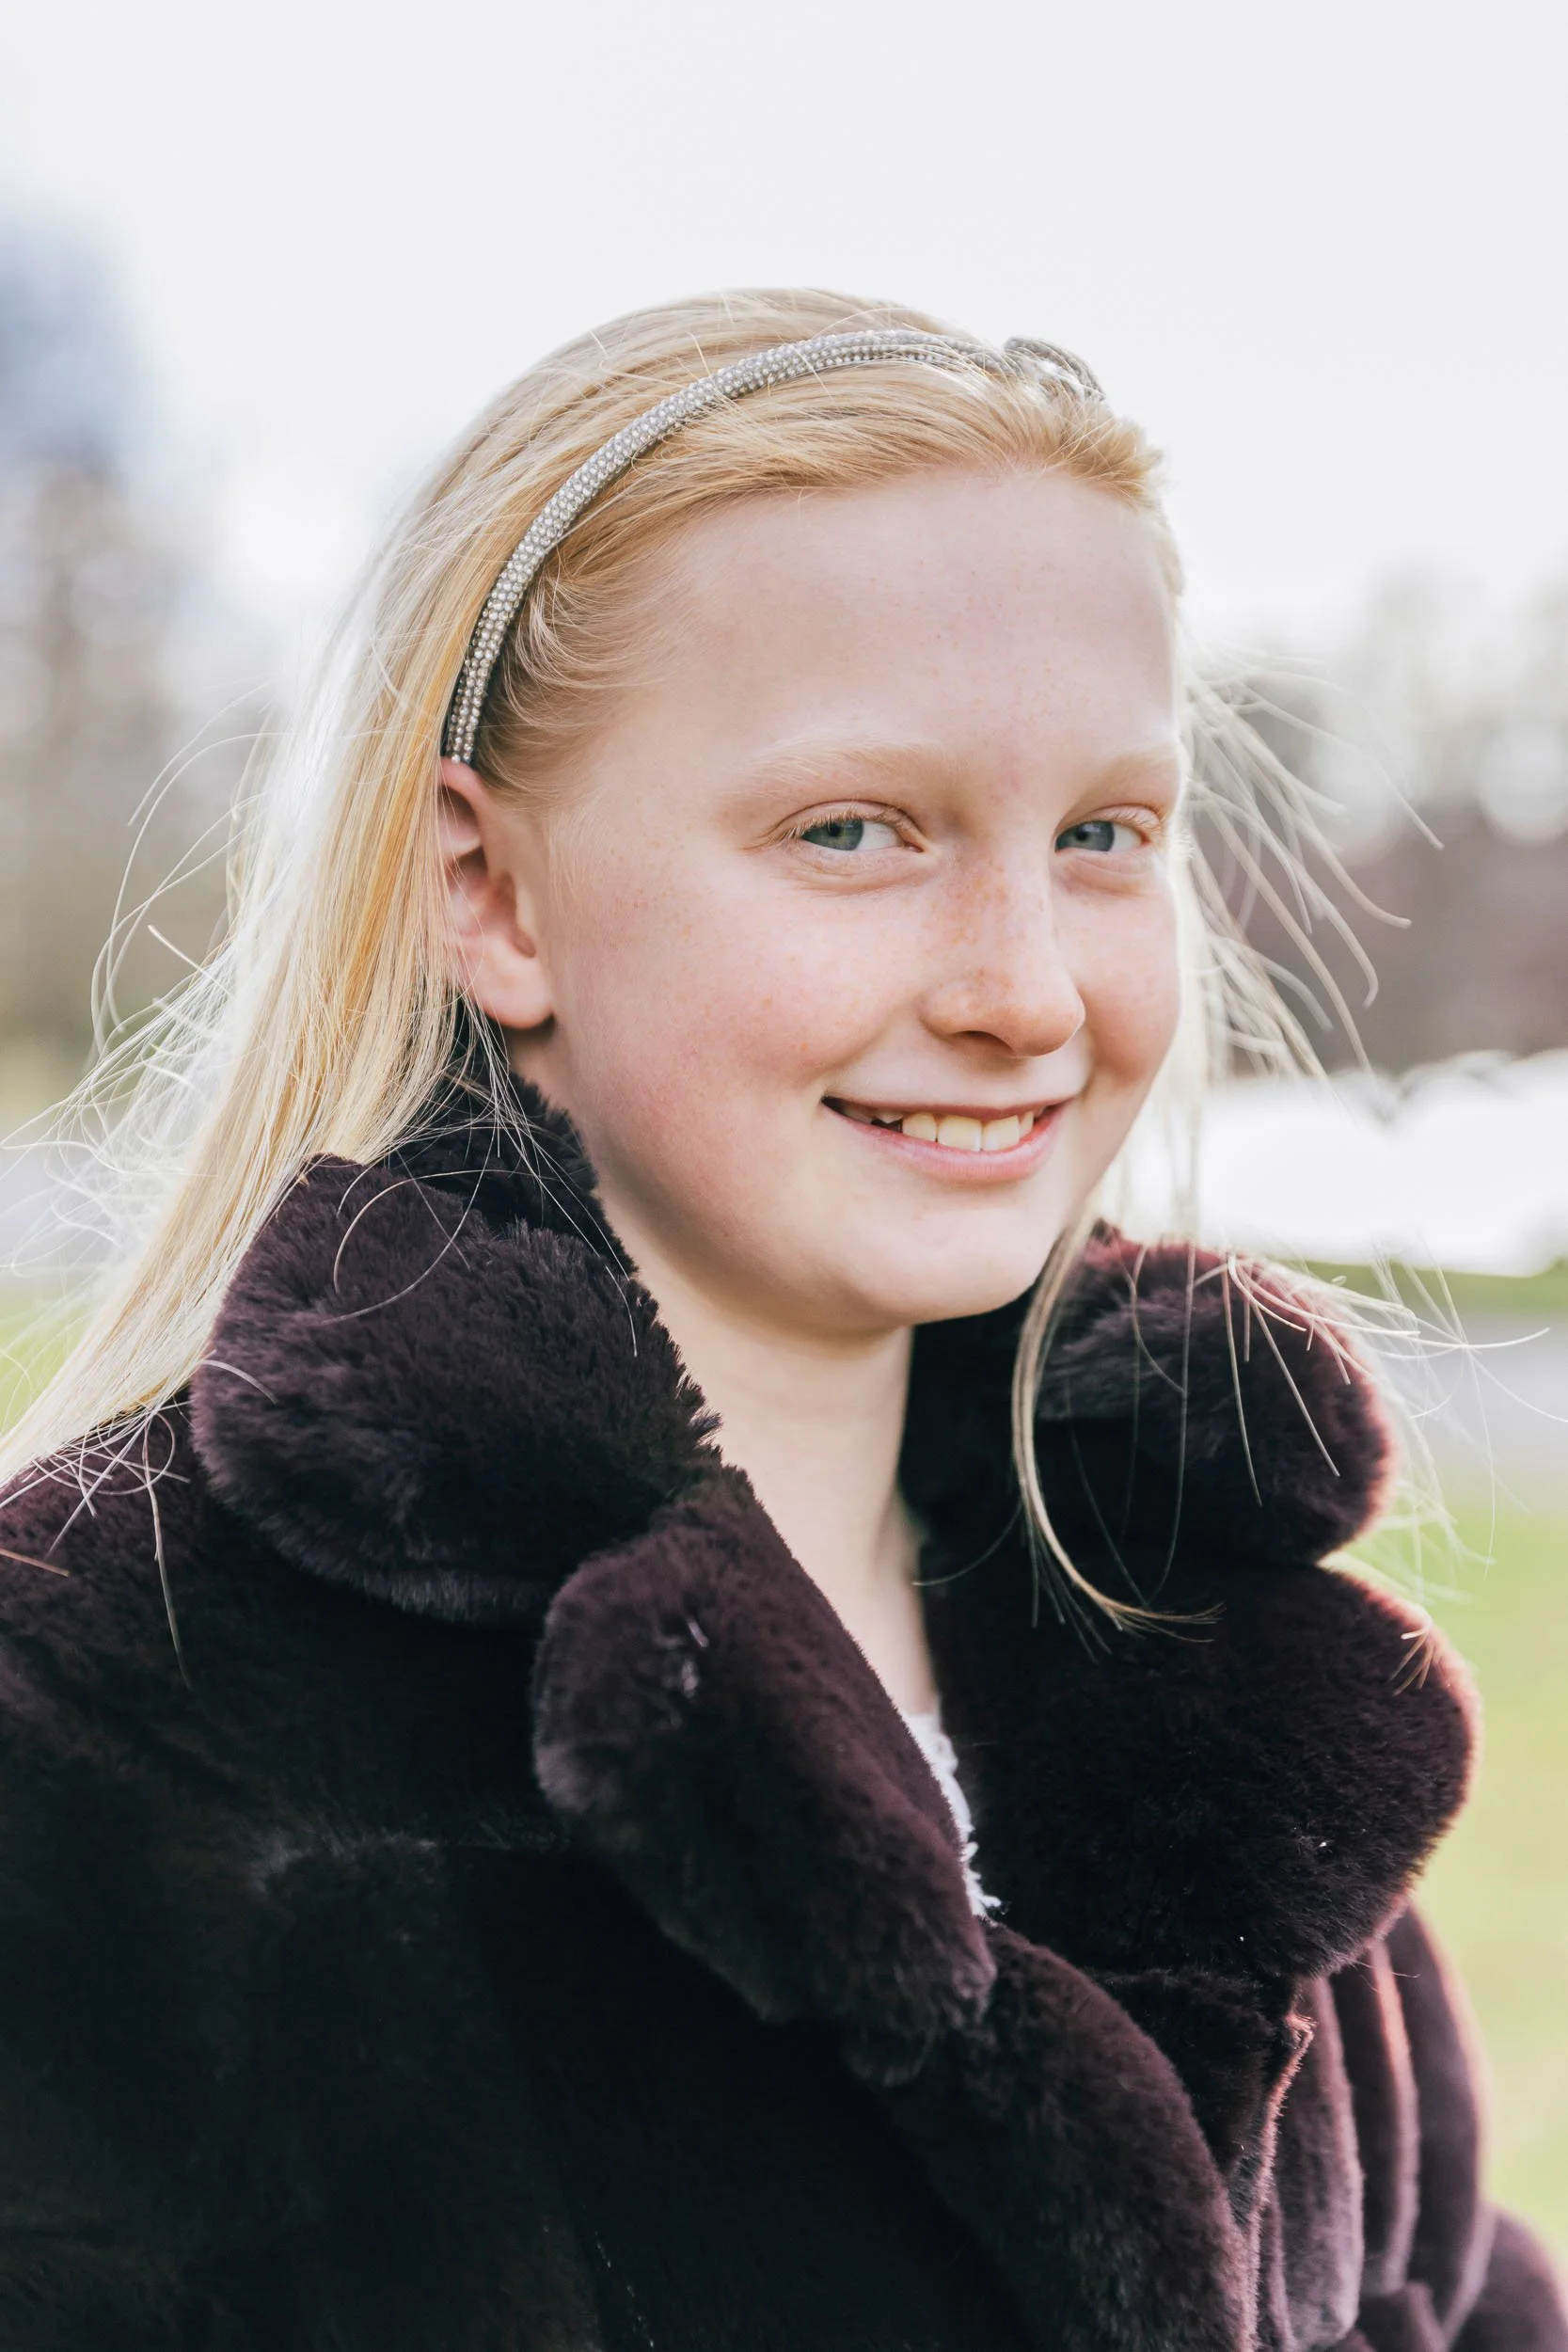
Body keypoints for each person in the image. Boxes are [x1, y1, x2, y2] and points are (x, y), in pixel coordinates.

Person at [0, 290, 1560, 2352]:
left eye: (1102, 833)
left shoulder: (1211, 1672)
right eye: (853, 831)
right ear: (492, 890)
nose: (1023, 985)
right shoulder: (104, 1714)